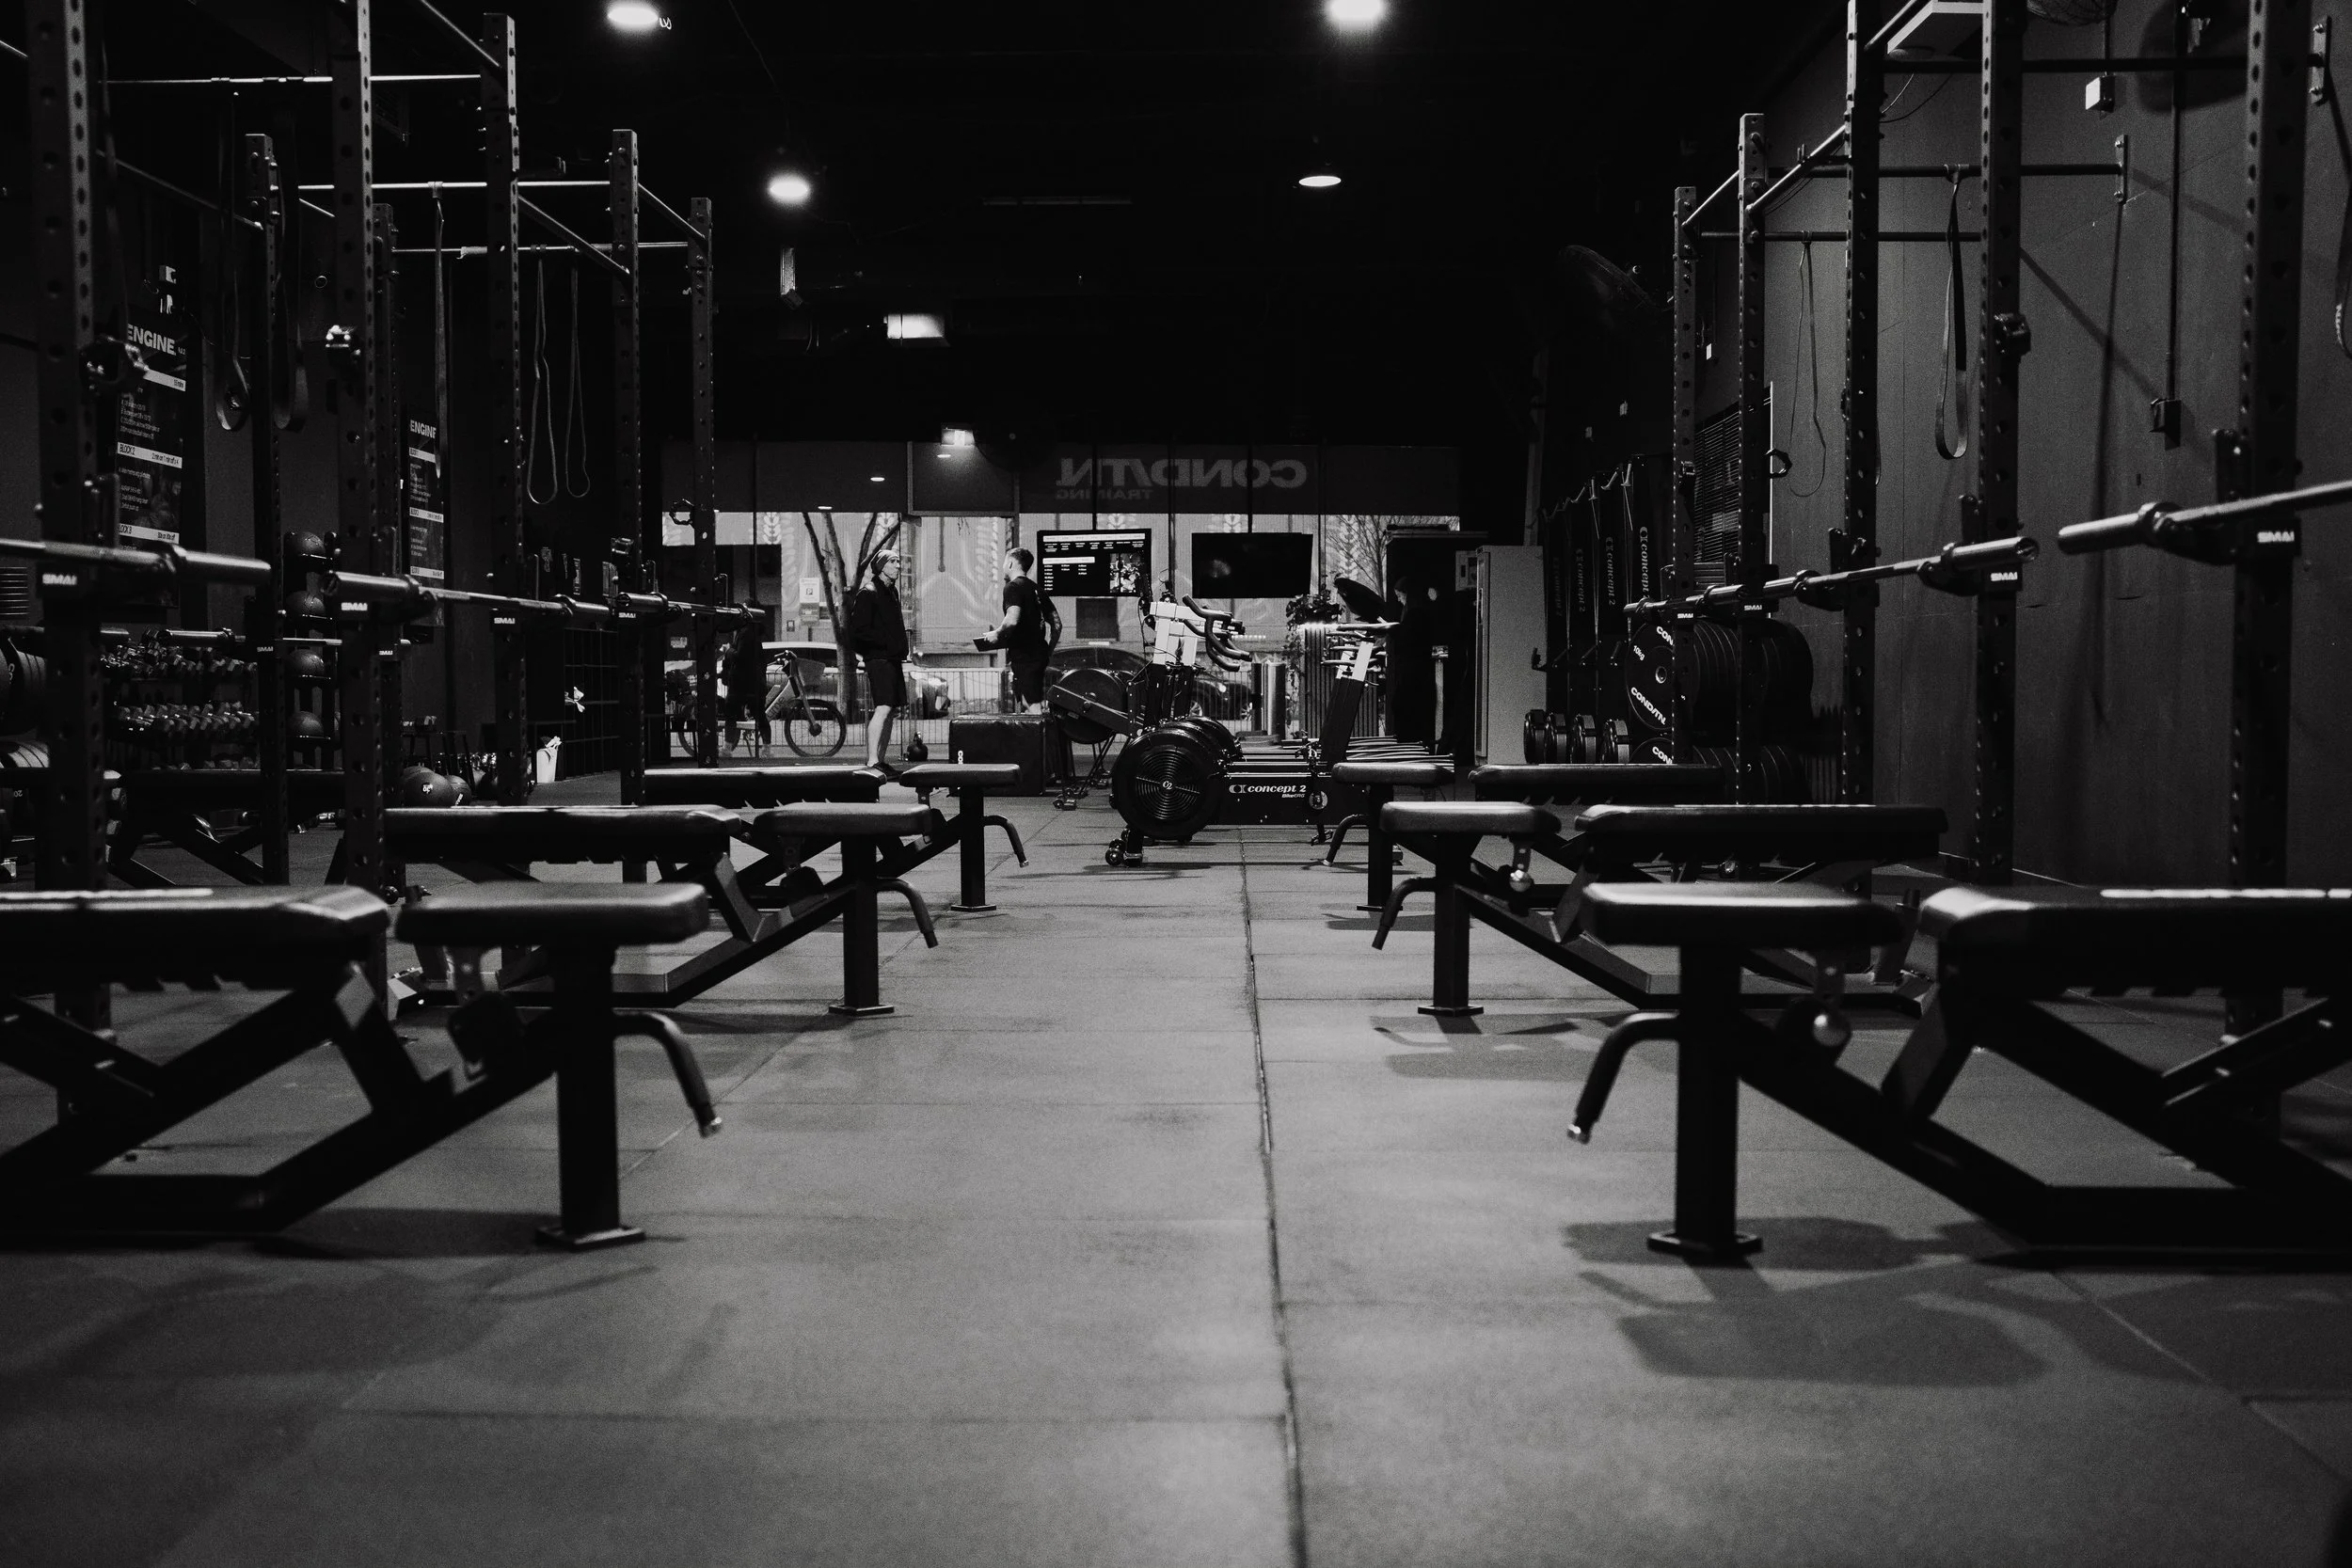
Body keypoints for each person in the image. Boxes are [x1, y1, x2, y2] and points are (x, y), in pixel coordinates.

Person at [844, 548, 910, 771]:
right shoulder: (868, 593)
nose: (898, 566)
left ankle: (879, 760)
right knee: (883, 707)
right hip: (879, 659)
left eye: (899, 561)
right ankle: (872, 760)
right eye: (893, 561)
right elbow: (857, 632)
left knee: (891, 709)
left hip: (891, 658)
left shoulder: (891, 593)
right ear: (881, 566)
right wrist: (886, 643)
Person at [975, 546, 1052, 712]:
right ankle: (1035, 736)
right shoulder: (1038, 589)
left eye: (1003, 562)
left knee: (1032, 705)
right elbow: (1057, 624)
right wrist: (1048, 650)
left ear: (1010, 563)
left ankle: (1045, 736)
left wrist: (996, 633)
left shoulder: (1013, 587)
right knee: (1026, 701)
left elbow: (1012, 619)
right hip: (1039, 654)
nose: (1002, 566)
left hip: (1024, 656)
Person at [721, 611, 769, 756]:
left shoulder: (745, 634)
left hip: (740, 683)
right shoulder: (755, 635)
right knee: (760, 715)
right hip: (755, 684)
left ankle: (727, 748)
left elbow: (740, 656)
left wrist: (728, 650)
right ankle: (767, 748)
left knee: (730, 713)